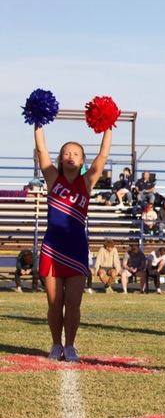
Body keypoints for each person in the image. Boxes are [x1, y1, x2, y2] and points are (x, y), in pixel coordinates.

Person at [34, 121, 112, 362]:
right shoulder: (52, 178)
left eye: (76, 153)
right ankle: (56, 345)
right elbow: (41, 150)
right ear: (60, 159)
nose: (70, 156)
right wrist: (37, 120)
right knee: (54, 302)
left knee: (73, 302)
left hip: (77, 248)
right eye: (66, 153)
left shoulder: (86, 181)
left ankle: (70, 346)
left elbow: (103, 155)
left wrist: (108, 124)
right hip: (52, 248)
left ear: (81, 161)